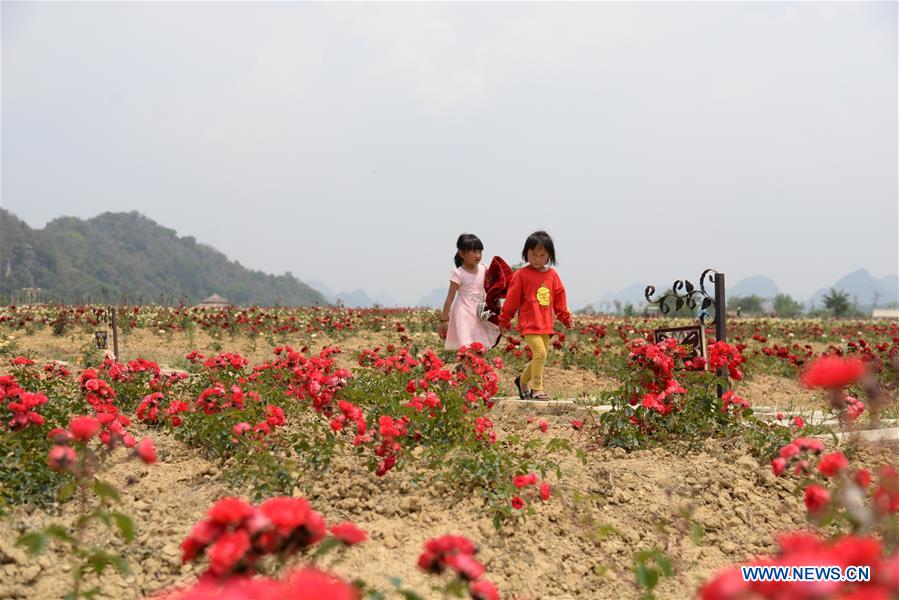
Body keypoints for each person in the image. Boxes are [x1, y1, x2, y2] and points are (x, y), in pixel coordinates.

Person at [499, 230, 572, 400]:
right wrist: (504, 320)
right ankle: (536, 388)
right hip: (529, 324)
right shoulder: (521, 275)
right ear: (526, 253)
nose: (537, 259)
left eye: (542, 255)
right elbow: (511, 300)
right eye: (533, 254)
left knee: (540, 357)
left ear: (549, 256)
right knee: (540, 354)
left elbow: (560, 299)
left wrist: (566, 318)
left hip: (545, 324)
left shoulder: (552, 275)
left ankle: (522, 381)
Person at [440, 234, 501, 351]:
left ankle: (473, 369)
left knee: (480, 347)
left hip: (480, 313)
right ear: (462, 254)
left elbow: (492, 287)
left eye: (480, 251)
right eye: (473, 252)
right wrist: (443, 320)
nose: (478, 255)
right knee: (467, 345)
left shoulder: (484, 268)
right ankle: (466, 368)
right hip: (464, 313)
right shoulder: (458, 273)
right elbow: (449, 299)